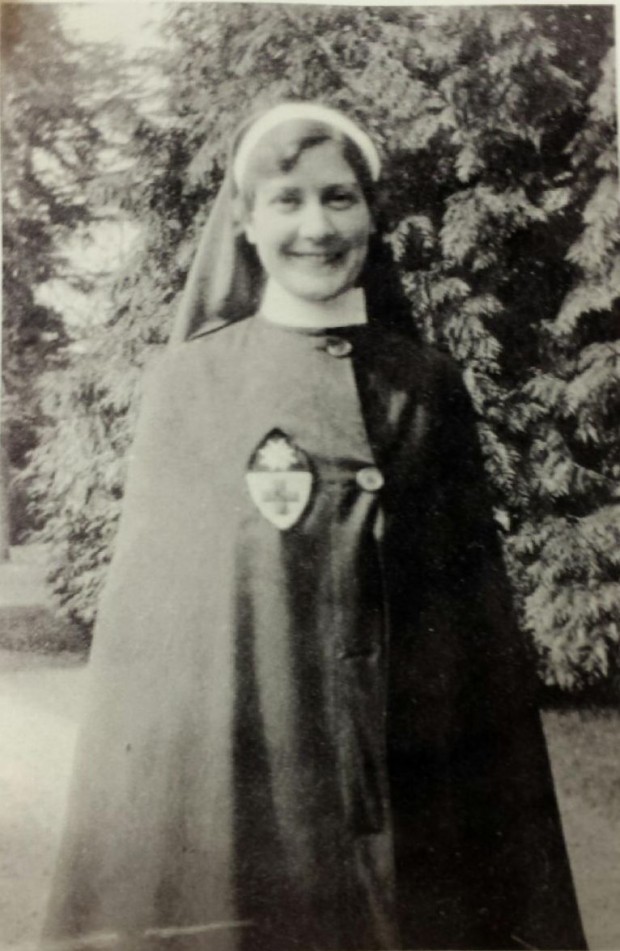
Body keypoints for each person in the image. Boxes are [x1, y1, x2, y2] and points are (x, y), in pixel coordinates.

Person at [43, 102, 587, 951]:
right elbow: (160, 645)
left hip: (415, 780)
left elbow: (471, 622)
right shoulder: (190, 385)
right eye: (287, 200)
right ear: (248, 222)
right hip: (254, 788)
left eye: (339, 199)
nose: (316, 226)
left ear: (371, 213)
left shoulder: (428, 384)